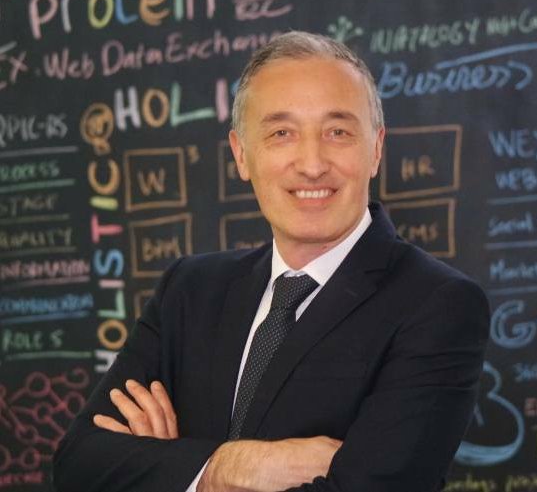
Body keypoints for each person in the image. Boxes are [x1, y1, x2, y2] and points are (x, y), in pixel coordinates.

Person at [52, 31, 489, 492]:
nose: (312, 164)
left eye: (338, 132)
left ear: (376, 149)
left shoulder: (438, 305)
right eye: (282, 133)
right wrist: (226, 468)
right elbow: (78, 466)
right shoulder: (188, 291)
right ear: (242, 155)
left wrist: (168, 469)